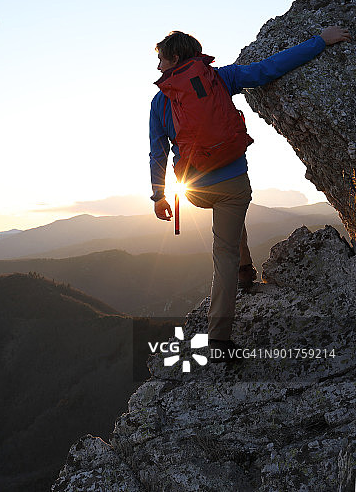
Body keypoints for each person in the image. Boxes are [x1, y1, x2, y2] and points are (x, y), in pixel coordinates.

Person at [149, 26, 352, 362]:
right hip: (232, 183)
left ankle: (243, 277)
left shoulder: (160, 102)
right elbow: (269, 68)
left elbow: (157, 152)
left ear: (173, 58)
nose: (158, 68)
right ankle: (220, 336)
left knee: (227, 226)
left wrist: (159, 196)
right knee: (224, 245)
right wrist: (320, 41)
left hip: (194, 190)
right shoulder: (220, 79)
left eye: (160, 59)